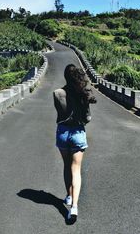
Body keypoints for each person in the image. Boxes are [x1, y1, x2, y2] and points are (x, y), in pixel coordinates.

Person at [53, 64, 97, 223]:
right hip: (78, 132)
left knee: (66, 166)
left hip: (63, 132)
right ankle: (74, 208)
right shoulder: (84, 94)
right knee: (76, 170)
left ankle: (69, 197)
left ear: (66, 77)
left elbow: (60, 113)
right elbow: (87, 118)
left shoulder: (57, 93)